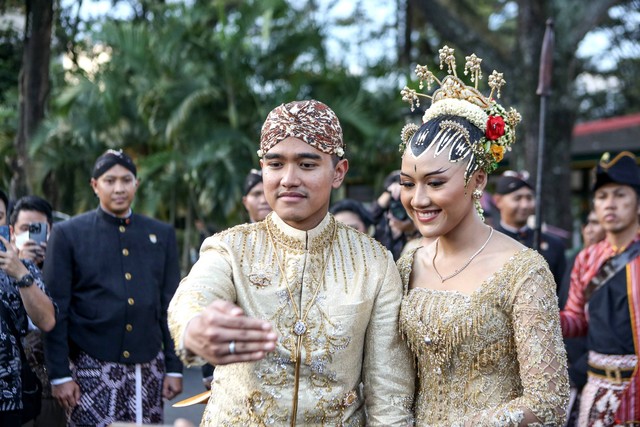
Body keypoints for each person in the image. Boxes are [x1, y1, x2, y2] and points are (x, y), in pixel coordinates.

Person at [168, 99, 415, 425]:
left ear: (338, 172)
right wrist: (194, 328)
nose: (288, 179)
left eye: (307, 165)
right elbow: (196, 294)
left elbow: (389, 395)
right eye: (275, 164)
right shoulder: (231, 247)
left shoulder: (375, 263)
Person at [397, 45, 569, 425]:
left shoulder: (523, 270)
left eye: (435, 182)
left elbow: (549, 401)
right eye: (407, 184)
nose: (418, 199)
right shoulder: (408, 260)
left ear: (477, 180)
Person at [43, 149, 183, 427]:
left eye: (126, 179)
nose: (119, 188)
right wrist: (60, 375)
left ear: (136, 184)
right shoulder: (69, 234)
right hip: (90, 366)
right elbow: (57, 309)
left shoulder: (161, 234)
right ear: (95, 185)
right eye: (110, 180)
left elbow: (172, 306)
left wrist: (175, 368)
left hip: (148, 366)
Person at [560, 151, 640, 426]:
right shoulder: (586, 258)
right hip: (596, 390)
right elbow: (577, 321)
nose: (610, 204)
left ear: (637, 203)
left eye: (620, 195)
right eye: (603, 197)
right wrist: (543, 315)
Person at [201, 168, 273, 389]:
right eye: (255, 194)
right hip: (240, 360)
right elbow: (209, 299)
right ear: (245, 201)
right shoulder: (228, 245)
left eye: (266, 192)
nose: (262, 200)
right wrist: (208, 369)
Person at [8, 195, 66, 427]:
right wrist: (19, 265)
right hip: (12, 392)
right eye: (25, 229)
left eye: (38, 229)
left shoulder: (62, 271)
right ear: (12, 231)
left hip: (52, 392)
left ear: (50, 231)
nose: (32, 236)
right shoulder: (4, 270)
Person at [0, 218, 56, 426]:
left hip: (8, 400)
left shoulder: (25, 269)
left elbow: (47, 321)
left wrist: (19, 273)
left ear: (10, 229)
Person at [558, 208, 605, 427]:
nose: (590, 229)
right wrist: (545, 319)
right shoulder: (581, 260)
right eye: (588, 223)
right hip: (575, 369)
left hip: (598, 369)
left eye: (597, 223)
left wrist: (580, 368)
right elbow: (574, 317)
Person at [493, 170, 567, 288]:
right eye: (517, 198)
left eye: (529, 198)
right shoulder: (489, 243)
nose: (525, 205)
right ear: (498, 201)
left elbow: (563, 290)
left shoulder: (554, 244)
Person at [370, 170, 420, 259]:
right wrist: (388, 192)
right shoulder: (382, 221)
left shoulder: (420, 219)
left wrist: (412, 228)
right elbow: (369, 217)